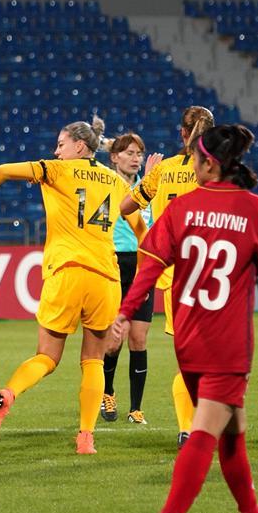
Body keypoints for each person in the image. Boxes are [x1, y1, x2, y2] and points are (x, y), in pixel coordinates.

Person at [112, 124, 258, 513]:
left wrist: (124, 312)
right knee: (206, 433)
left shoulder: (181, 210)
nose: (191, 164)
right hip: (226, 344)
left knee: (233, 430)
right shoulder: (256, 210)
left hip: (187, 339)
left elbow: (150, 267)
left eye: (195, 158)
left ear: (210, 163)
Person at [0, 115, 123, 455]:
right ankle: (86, 438)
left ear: (80, 146)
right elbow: (137, 219)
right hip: (105, 276)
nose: (56, 152)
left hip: (67, 270)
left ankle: (10, 394)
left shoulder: (54, 170)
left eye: (60, 145)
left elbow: (0, 171)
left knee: (47, 356)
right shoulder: (115, 181)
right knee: (94, 361)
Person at [119, 106, 214, 448]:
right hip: (211, 273)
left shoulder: (166, 171)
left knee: (187, 358)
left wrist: (150, 181)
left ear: (182, 134)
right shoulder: (215, 169)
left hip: (174, 275)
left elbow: (126, 207)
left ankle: (187, 428)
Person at [98, 132, 162, 424]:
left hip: (142, 263)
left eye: (139, 153)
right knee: (113, 341)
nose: (136, 158)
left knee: (139, 338)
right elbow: (123, 206)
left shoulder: (148, 187)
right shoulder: (105, 184)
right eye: (130, 153)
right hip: (113, 263)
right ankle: (107, 393)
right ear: (114, 157)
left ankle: (136, 408)